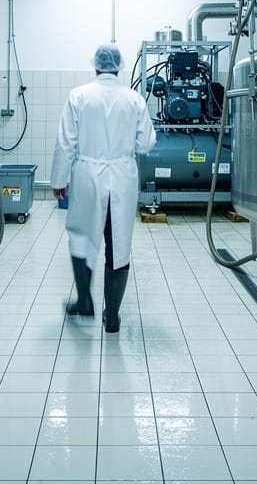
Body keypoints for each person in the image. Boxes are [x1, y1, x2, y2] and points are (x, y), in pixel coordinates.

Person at [51, 43, 156, 333]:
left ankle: (85, 301)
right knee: (118, 244)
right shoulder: (134, 99)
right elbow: (146, 144)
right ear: (120, 66)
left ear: (95, 65)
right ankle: (113, 317)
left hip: (87, 175)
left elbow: (65, 142)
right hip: (122, 176)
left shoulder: (79, 95)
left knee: (81, 238)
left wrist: (59, 180)